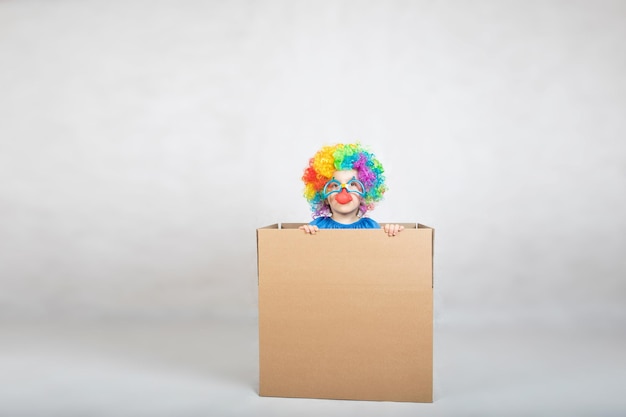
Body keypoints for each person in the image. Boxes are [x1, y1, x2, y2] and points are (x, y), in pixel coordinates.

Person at [299, 143, 404, 237]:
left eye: (353, 184)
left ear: (365, 195)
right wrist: (303, 234)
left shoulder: (371, 227)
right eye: (335, 185)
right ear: (324, 196)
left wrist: (391, 232)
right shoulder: (317, 226)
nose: (343, 191)